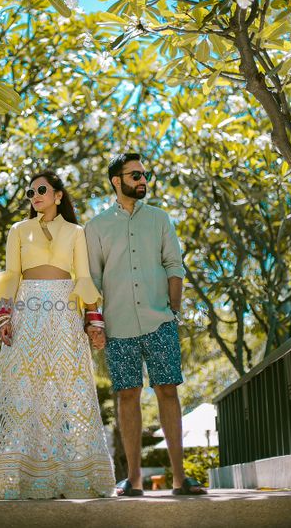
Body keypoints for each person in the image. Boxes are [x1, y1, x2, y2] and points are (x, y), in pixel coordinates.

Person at [0, 169, 115, 500]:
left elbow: (83, 278)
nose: (34, 196)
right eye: (30, 192)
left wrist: (95, 323)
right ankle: (10, 477)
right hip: (28, 311)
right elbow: (11, 275)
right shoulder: (18, 230)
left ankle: (74, 477)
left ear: (58, 195)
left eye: (41, 190)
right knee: (19, 387)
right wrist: (4, 317)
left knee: (69, 388)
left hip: (66, 314)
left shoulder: (76, 232)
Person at [85, 152, 207, 497]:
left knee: (168, 390)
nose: (143, 181)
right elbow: (92, 280)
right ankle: (134, 480)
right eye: (135, 175)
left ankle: (181, 479)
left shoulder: (159, 219)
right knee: (127, 395)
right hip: (118, 325)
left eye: (144, 174)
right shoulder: (96, 228)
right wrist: (95, 323)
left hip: (160, 322)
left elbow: (174, 265)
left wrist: (173, 309)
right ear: (116, 181)